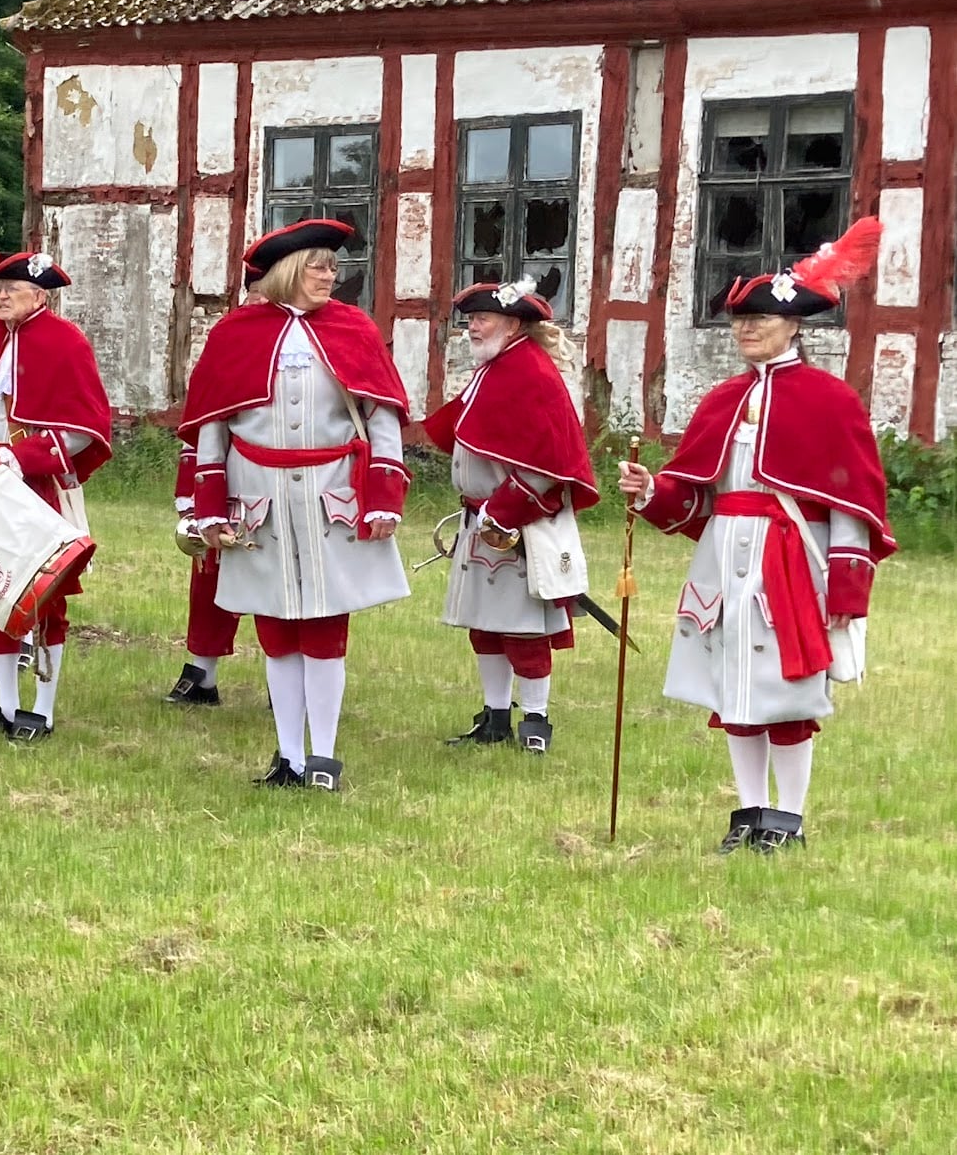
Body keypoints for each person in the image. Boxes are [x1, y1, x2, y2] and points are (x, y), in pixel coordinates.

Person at [617, 218, 894, 853]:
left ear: (794, 325)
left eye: (759, 318)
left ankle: (787, 820)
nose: (745, 329)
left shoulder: (831, 401)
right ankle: (748, 813)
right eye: (739, 319)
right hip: (723, 562)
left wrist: (848, 592)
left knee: (788, 696)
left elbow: (852, 506)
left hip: (792, 563)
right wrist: (652, 491)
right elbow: (697, 501)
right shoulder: (723, 400)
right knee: (733, 691)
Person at [179, 220, 412, 791]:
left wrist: (384, 497)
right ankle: (289, 756)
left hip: (332, 492)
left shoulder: (353, 329)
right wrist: (207, 505)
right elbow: (212, 428)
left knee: (326, 626)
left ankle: (324, 758)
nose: (331, 276)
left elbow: (382, 419)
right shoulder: (235, 334)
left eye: (334, 267)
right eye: (319, 266)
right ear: (287, 271)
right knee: (276, 627)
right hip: (258, 496)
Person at [0, 251, 112, 740]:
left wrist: (23, 458)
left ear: (40, 295)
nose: (2, 295)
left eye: (12, 288)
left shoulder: (66, 342)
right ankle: (6, 703)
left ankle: (44, 707)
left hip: (36, 480)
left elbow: (83, 429)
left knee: (44, 593)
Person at [423, 277, 599, 754]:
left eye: (481, 319)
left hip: (518, 524)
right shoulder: (498, 366)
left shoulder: (529, 373)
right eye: (470, 319)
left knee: (524, 628)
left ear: (512, 323)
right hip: (482, 521)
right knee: (486, 625)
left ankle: (536, 721)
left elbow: (544, 468)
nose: (472, 328)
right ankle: (495, 715)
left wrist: (501, 513)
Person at [164, 262, 264, 707]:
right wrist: (194, 494)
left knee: (281, 580)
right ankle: (202, 674)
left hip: (287, 480)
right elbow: (204, 418)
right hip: (228, 473)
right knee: (211, 577)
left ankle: (291, 680)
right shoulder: (230, 336)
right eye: (260, 294)